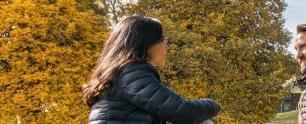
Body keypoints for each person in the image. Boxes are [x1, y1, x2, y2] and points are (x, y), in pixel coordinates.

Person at [82, 16, 220, 123]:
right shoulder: (131, 74)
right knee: (203, 122)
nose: (166, 47)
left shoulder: (120, 73)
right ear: (145, 44)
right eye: (161, 40)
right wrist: (214, 105)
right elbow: (182, 111)